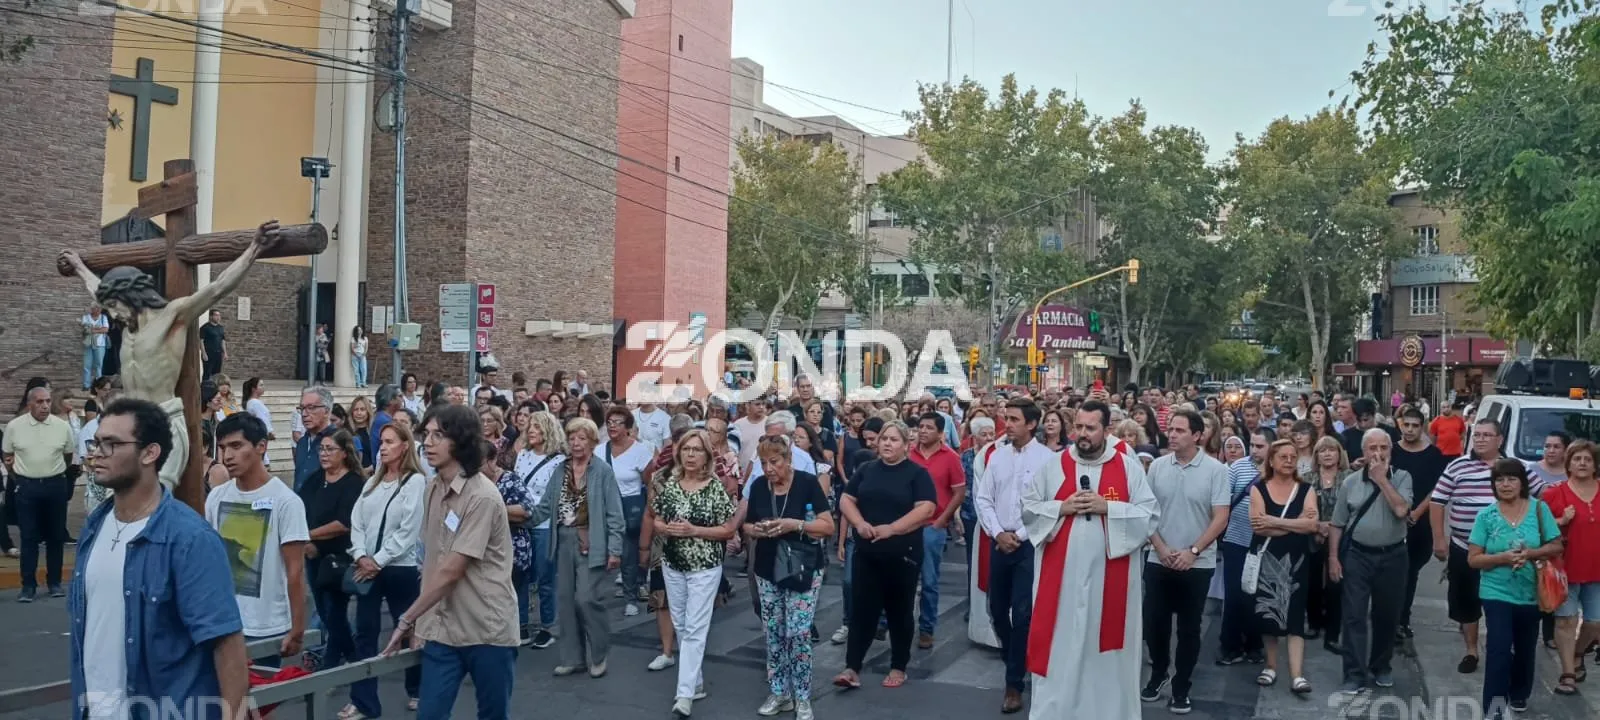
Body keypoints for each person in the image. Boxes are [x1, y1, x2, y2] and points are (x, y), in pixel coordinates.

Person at [60, 220, 280, 490]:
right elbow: (98, 289)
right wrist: (80, 267)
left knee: (155, 497)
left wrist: (254, 248)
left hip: (163, 419)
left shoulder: (171, 317)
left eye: (115, 305)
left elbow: (217, 288)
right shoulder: (128, 324)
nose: (112, 313)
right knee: (122, 499)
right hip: (131, 422)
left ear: (132, 295)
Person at [71, 398, 250, 720]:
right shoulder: (93, 527)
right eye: (96, 442)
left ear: (149, 453)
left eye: (111, 443)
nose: (96, 453)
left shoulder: (189, 538)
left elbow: (226, 641)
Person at [1021, 400, 1159, 720]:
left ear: (1107, 430)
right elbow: (1028, 508)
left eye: (1090, 428)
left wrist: (1107, 507)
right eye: (1078, 427)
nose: (1082, 435)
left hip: (1110, 579)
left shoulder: (1128, 467)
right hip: (1062, 581)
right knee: (1061, 642)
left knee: (1106, 647)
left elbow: (1149, 515)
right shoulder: (1054, 466)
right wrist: (1060, 508)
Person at [382, 404, 519, 718]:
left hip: (486, 629)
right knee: (429, 714)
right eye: (426, 434)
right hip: (443, 631)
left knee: (493, 715)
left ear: (462, 441)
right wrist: (422, 623)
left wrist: (406, 619)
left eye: (439, 435)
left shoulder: (481, 496)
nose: (428, 443)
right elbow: (431, 561)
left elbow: (452, 570)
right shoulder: (432, 488)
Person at [833, 421, 936, 690]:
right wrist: (858, 523)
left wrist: (892, 529)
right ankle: (852, 667)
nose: (887, 444)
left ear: (906, 445)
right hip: (867, 553)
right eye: (883, 439)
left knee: (899, 612)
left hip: (902, 554)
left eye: (893, 439)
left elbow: (926, 509)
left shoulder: (917, 474)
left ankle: (898, 666)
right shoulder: (867, 469)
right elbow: (847, 499)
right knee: (862, 611)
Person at [1140, 410, 1231, 713]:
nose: (1172, 435)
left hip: (1197, 562)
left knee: (1190, 628)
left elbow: (1220, 517)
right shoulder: (1157, 467)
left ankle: (1182, 686)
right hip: (1158, 557)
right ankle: (1158, 673)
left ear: (1197, 435)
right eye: (1170, 429)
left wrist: (1193, 551)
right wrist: (1162, 549)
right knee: (1154, 623)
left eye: (1180, 430)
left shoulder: (1216, 470)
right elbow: (1148, 512)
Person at [744, 435, 835, 720]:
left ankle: (803, 696)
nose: (769, 469)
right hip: (768, 566)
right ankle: (780, 692)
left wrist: (794, 525)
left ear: (788, 459)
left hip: (802, 567)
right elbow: (746, 524)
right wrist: (757, 530)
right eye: (763, 463)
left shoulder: (807, 483)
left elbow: (827, 526)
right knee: (773, 632)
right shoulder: (759, 485)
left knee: (797, 633)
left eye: (774, 462)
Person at [206, 412, 310, 662]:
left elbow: (295, 570)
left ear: (261, 446)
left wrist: (297, 627)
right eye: (222, 448)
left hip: (266, 626)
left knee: (258, 700)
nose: (227, 456)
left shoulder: (286, 501)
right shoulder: (217, 497)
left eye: (236, 446)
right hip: (224, 622)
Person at [529, 417, 625, 678]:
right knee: (566, 601)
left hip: (592, 541)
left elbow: (615, 513)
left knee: (586, 598)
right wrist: (518, 518)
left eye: (582, 438)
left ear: (593, 442)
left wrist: (614, 550)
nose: (576, 443)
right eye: (572, 438)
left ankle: (599, 654)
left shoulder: (602, 471)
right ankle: (573, 658)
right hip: (563, 539)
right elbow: (545, 506)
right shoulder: (561, 469)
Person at [1467, 460, 1563, 718]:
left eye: (1511, 479)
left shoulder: (1539, 510)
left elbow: (1556, 545)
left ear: (1522, 482)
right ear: (1493, 485)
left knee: (1524, 648)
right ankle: (1494, 709)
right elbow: (1474, 558)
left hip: (1532, 592)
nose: (1505, 484)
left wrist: (1530, 554)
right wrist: (1503, 558)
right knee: (1499, 648)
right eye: (1500, 480)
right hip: (1495, 591)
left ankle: (1519, 693)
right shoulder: (1486, 516)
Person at [652, 429, 737, 716]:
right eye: (686, 449)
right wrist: (664, 528)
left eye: (696, 450)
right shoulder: (672, 485)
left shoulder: (714, 488)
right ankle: (696, 683)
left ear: (706, 457)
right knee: (682, 624)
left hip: (705, 566)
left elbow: (727, 530)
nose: (690, 454)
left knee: (695, 629)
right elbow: (658, 519)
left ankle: (684, 695)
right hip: (673, 563)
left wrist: (694, 530)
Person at [974, 399, 1052, 714]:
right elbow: (983, 497)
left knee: (1022, 614)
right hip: (999, 541)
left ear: (1031, 424)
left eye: (1015, 419)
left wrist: (1018, 535)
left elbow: (1046, 505)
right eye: (1007, 418)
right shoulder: (997, 456)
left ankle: (1013, 684)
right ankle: (1015, 657)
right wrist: (997, 533)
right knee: (996, 608)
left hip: (1028, 544)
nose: (1008, 424)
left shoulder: (1048, 459)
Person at [346, 423, 425, 718]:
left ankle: (417, 688)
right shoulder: (372, 483)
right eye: (381, 441)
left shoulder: (415, 482)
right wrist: (360, 554)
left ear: (405, 445)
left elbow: (408, 531)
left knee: (406, 628)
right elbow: (357, 521)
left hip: (398, 568)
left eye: (390, 441)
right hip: (368, 567)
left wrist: (377, 560)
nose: (383, 446)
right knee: (364, 633)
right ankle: (363, 700)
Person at [1328, 428, 1414, 695]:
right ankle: (1354, 672)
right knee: (1354, 615)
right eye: (1372, 448)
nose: (1378, 453)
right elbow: (1337, 523)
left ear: (1390, 451)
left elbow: (1401, 510)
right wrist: (1333, 557)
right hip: (1358, 555)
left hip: (1393, 556)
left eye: (1383, 448)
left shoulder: (1402, 478)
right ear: (1363, 453)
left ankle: (1381, 666)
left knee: (1387, 615)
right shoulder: (1350, 482)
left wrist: (1382, 481)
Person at [1248, 439, 1321, 695]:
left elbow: (1312, 525)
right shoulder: (1258, 489)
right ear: (1271, 461)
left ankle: (1297, 674)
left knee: (1295, 615)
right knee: (1268, 613)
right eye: (1283, 457)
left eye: (1292, 456)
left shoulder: (1306, 489)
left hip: (1297, 559)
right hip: (1267, 557)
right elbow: (1258, 526)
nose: (1289, 461)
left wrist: (1274, 520)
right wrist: (1294, 523)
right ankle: (1270, 665)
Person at [298, 429, 365, 678]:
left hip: (339, 558)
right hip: (313, 556)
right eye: (321, 449)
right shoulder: (316, 479)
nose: (324, 454)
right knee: (326, 614)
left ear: (344, 453)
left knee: (334, 613)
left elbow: (343, 523)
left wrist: (309, 535)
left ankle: (351, 662)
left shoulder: (353, 483)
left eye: (330, 449)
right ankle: (336, 664)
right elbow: (299, 506)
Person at [2, 386, 76, 601]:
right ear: (29, 404)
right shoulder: (15, 427)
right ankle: (28, 586)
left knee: (55, 536)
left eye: (47, 401)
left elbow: (68, 456)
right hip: (27, 487)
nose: (45, 406)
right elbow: (8, 456)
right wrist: (19, 478)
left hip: (55, 485)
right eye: (40, 402)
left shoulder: (62, 427)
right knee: (29, 537)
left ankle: (54, 582)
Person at [1542, 440, 1600, 695]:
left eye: (1588, 459)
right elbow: (1540, 530)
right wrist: (1561, 520)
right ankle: (1567, 674)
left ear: (1596, 465)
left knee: (1595, 623)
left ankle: (1578, 653)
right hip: (1563, 570)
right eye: (1577, 459)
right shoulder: (1553, 493)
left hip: (1597, 571)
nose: (1582, 464)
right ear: (1568, 463)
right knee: (1565, 621)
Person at [908, 411, 966, 649]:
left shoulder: (950, 457)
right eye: (921, 426)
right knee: (903, 578)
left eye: (929, 427)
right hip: (907, 525)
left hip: (933, 525)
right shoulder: (908, 454)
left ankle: (927, 628)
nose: (923, 431)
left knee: (930, 581)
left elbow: (959, 492)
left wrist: (943, 520)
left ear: (941, 433)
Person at [512, 411, 567, 649]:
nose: (531, 430)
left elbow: (555, 496)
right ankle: (520, 624)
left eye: (537, 426)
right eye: (530, 426)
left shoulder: (558, 461)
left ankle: (548, 626)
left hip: (543, 524)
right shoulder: (522, 455)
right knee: (519, 575)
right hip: (519, 523)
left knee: (545, 577)